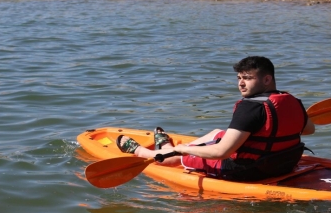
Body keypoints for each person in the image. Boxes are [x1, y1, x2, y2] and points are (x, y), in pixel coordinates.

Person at [116, 56, 315, 181]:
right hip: (282, 163)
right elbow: (308, 130)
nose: (241, 84)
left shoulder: (250, 107)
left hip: (246, 170)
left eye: (247, 78)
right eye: (239, 78)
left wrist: (183, 148)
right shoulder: (292, 101)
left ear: (266, 79)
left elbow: (221, 152)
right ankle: (167, 148)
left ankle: (144, 151)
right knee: (217, 133)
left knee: (176, 157)